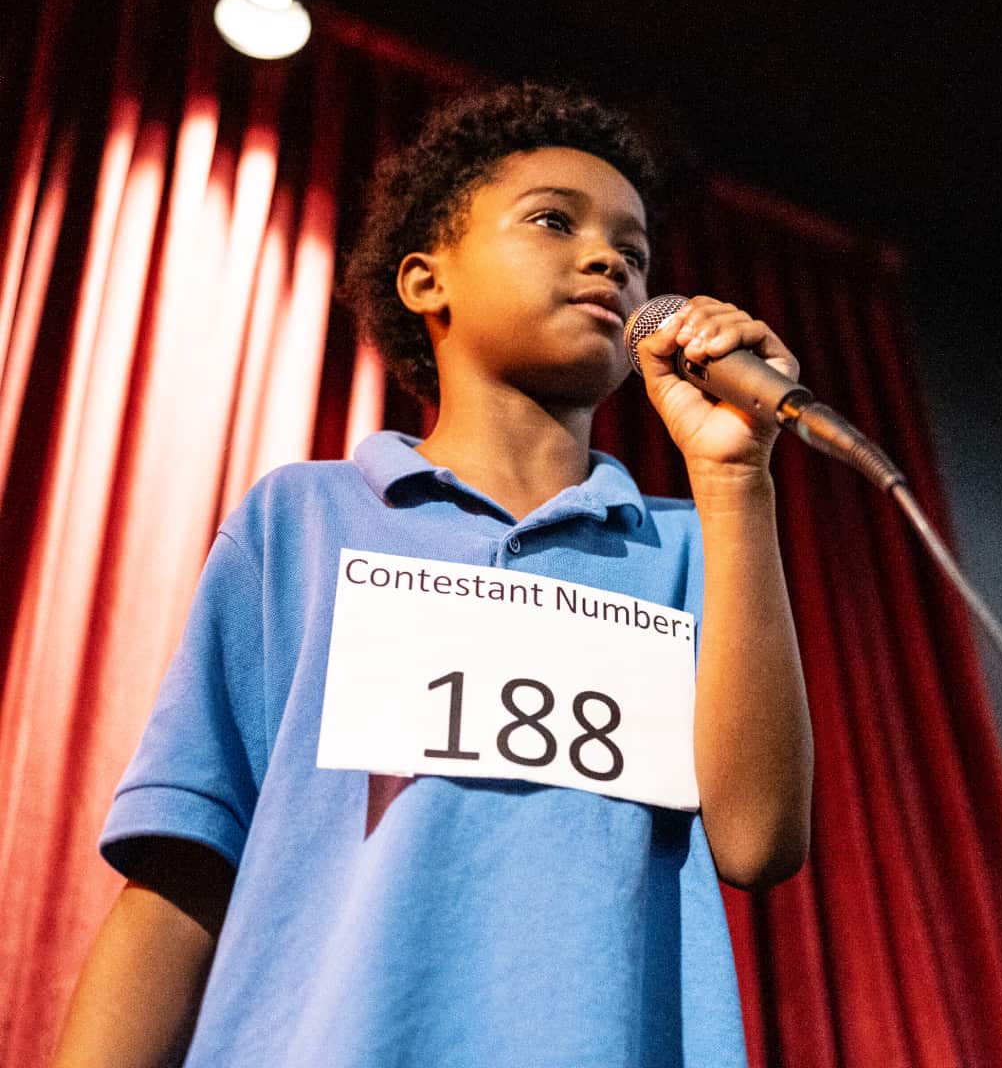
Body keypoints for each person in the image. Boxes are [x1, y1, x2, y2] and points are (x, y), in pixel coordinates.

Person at [52, 82, 813, 1067]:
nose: (609, 261)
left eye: (635, 252)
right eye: (554, 219)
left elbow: (759, 844)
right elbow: (182, 875)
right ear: (425, 281)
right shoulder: (304, 520)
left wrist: (734, 483)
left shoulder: (694, 543)